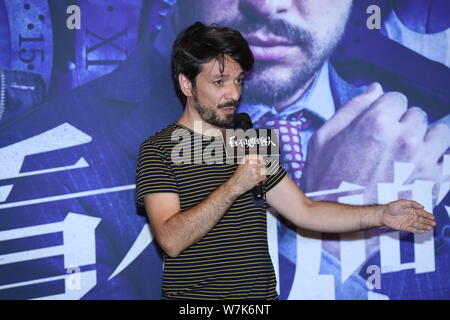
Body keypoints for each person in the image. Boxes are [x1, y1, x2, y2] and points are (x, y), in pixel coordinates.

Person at [136, 22, 436, 300]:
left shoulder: (250, 144)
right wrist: (232, 187)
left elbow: (307, 211)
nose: (233, 93)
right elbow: (172, 240)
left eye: (239, 80)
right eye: (219, 81)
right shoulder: (158, 150)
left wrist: (381, 213)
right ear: (187, 85)